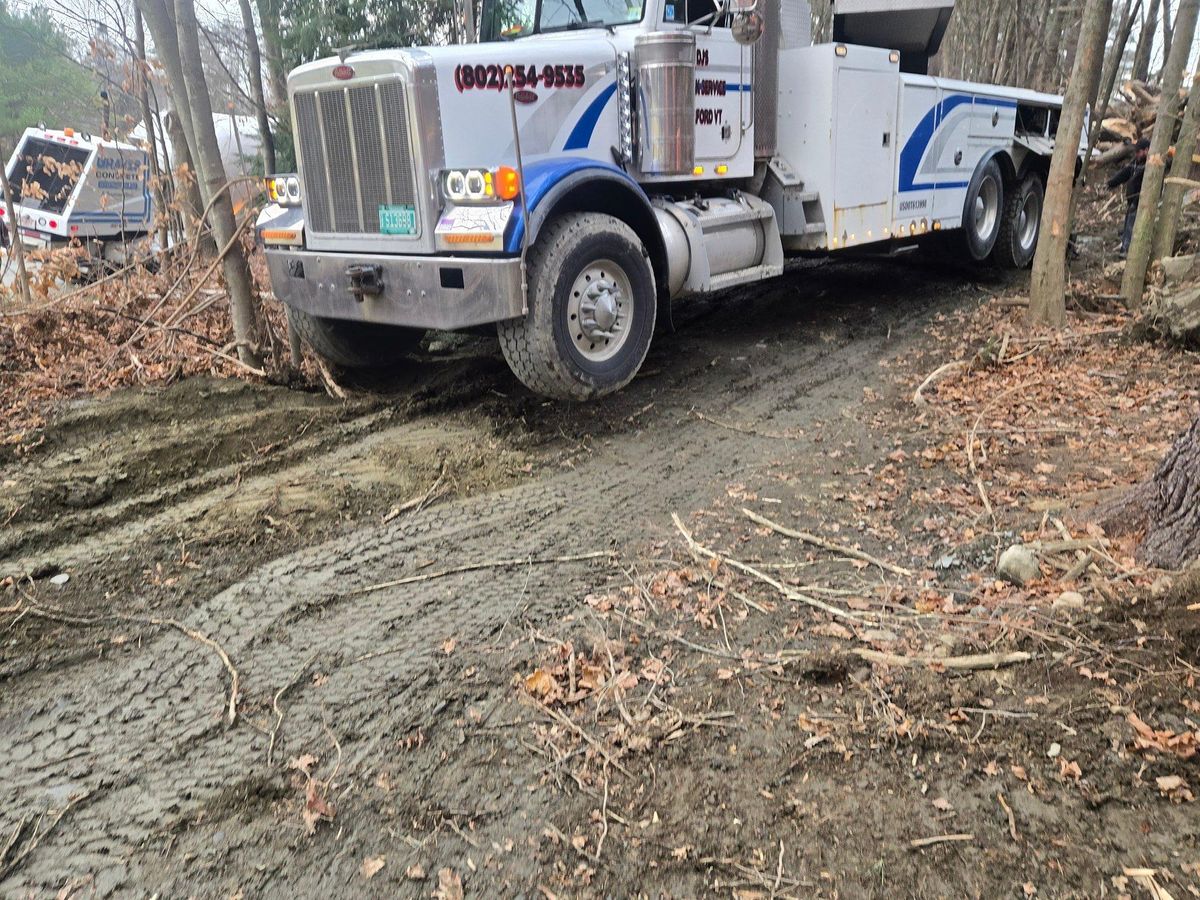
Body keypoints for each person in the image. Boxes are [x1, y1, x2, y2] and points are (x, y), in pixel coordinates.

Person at [1108, 138, 1150, 256]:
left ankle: (1126, 249)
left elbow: (1145, 188)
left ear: (1146, 150)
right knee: (1128, 223)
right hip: (1132, 200)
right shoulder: (1137, 162)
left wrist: (1136, 203)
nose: (1136, 154)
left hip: (1140, 201)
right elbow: (1125, 173)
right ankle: (1124, 245)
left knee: (1131, 225)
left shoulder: (1149, 166)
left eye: (1138, 152)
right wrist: (1111, 183)